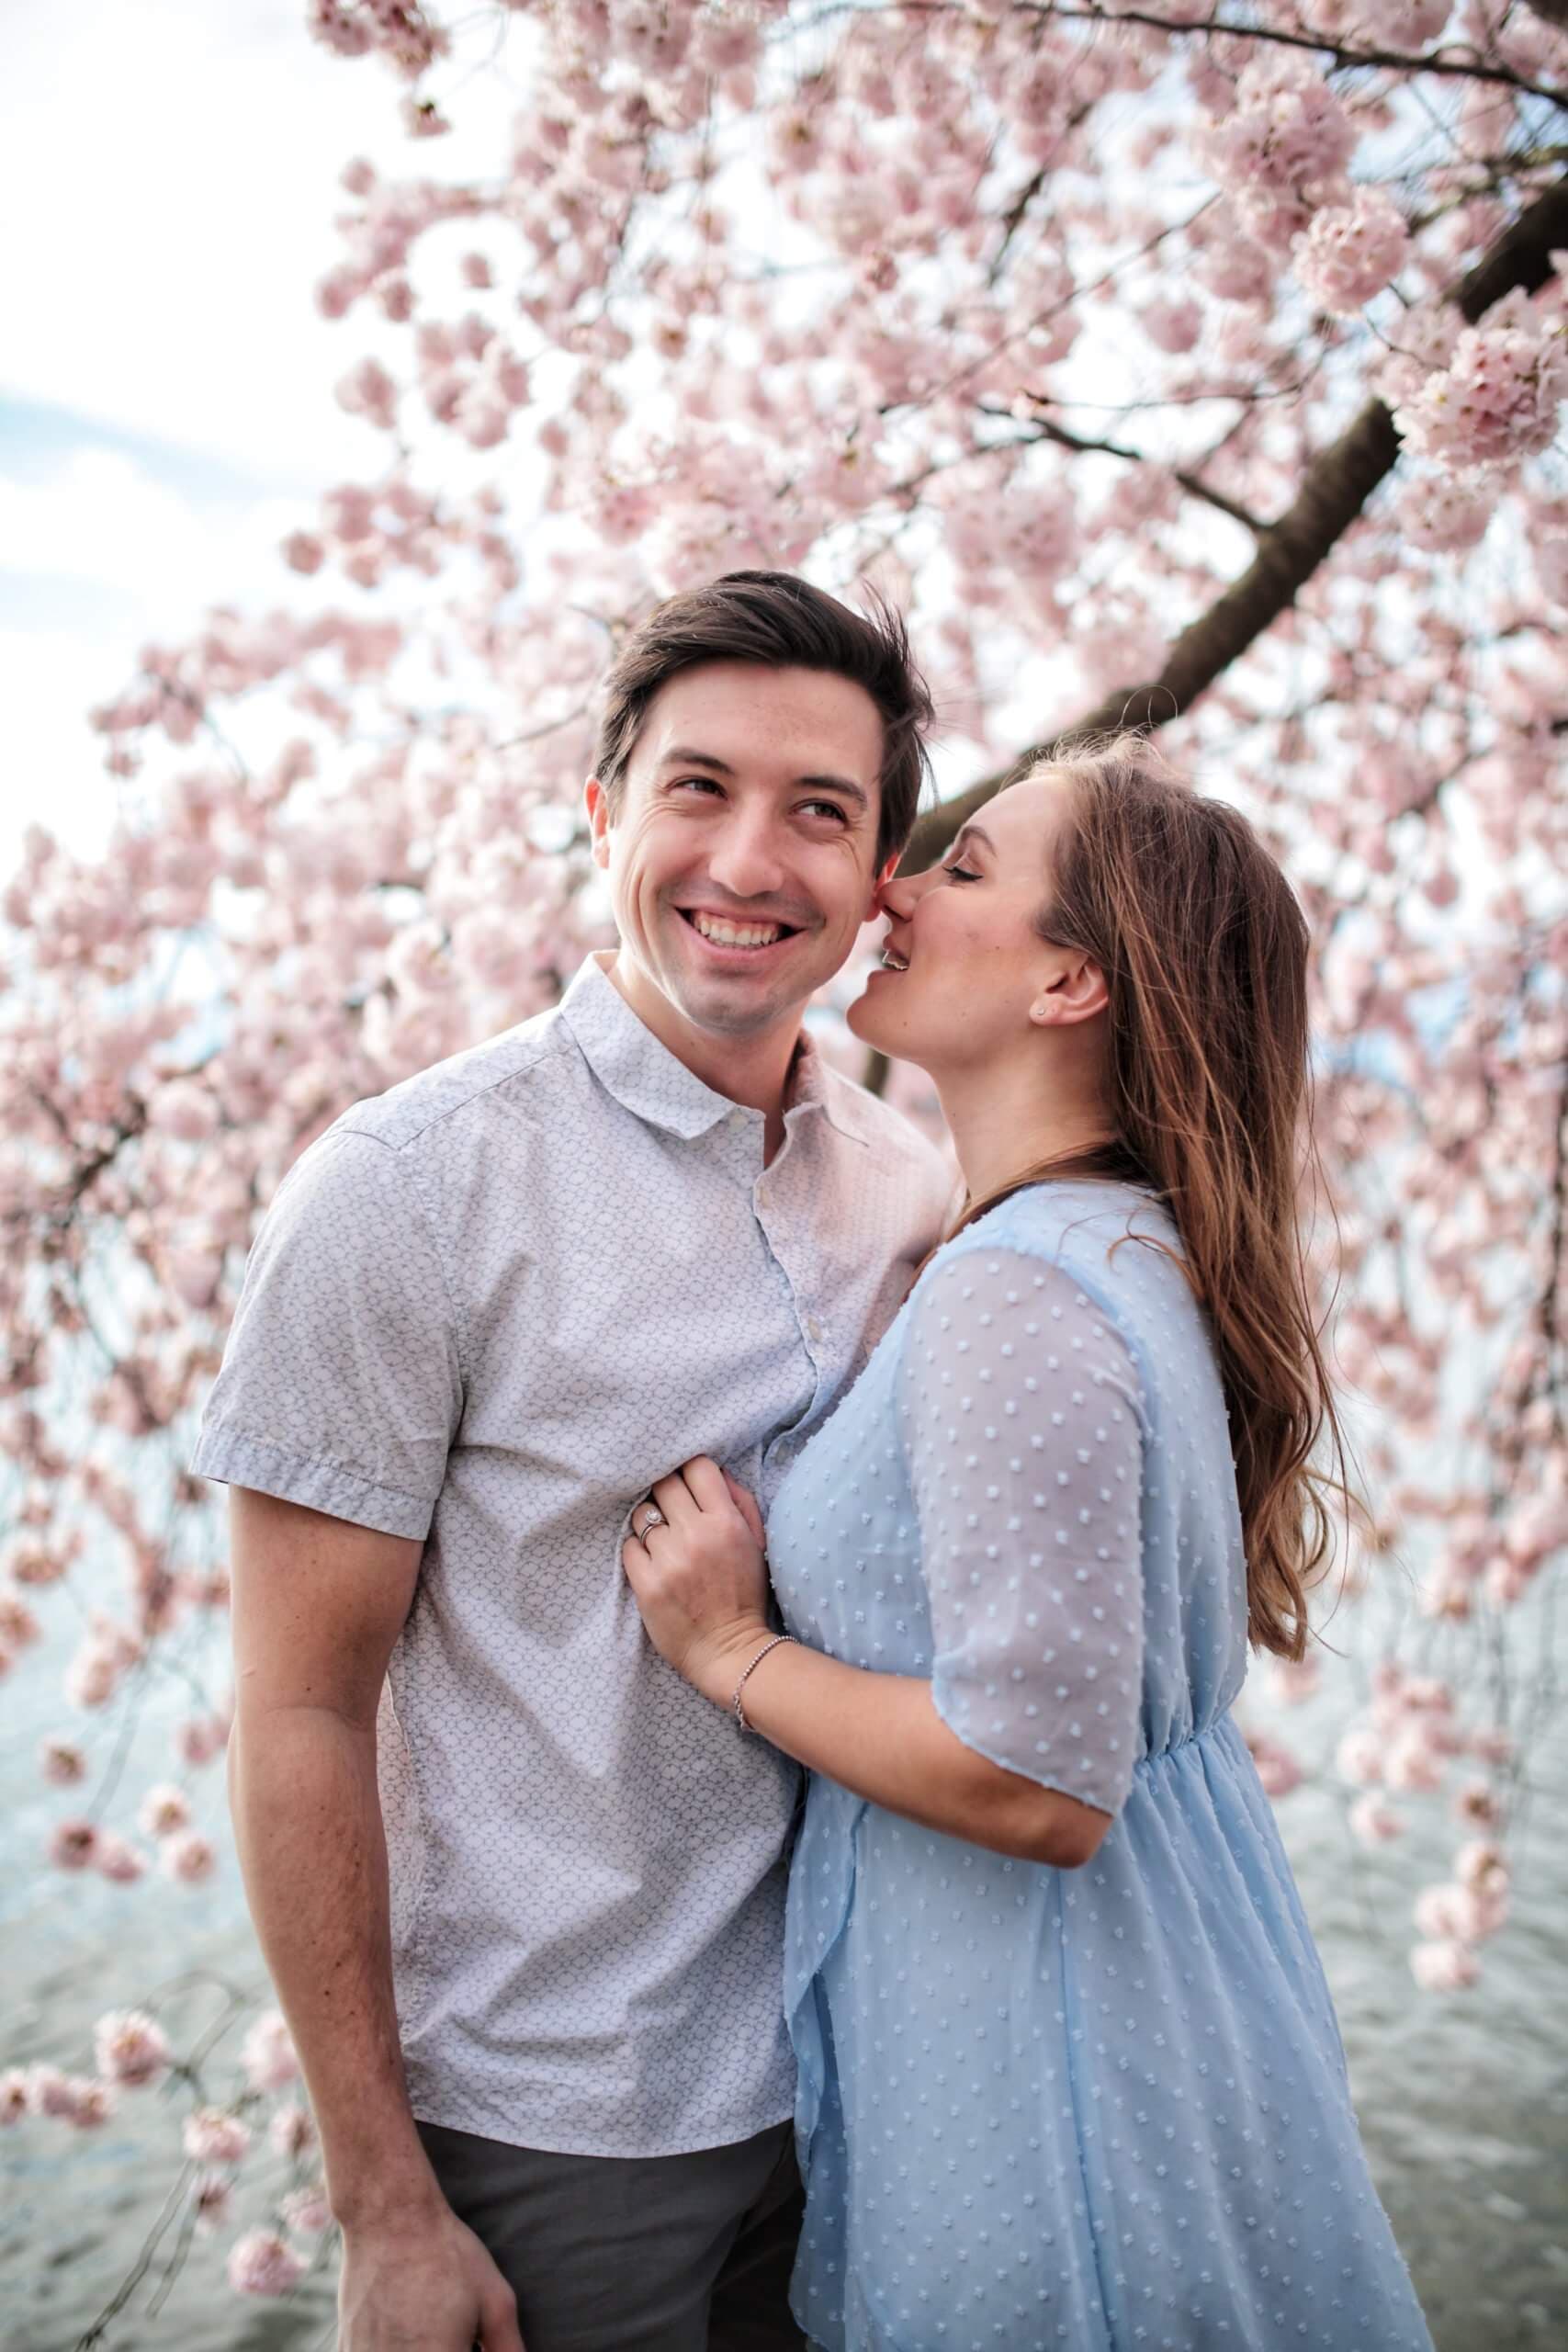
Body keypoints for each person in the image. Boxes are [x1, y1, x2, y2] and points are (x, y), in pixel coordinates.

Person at [194, 571, 954, 2352]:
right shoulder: (406, 1190)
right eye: (697, 787)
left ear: (877, 875)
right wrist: (383, 2202)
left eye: (818, 810)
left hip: (857, 2074)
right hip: (550, 2117)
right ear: (603, 807)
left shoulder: (905, 1184)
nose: (750, 860)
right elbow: (296, 1712)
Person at [623, 737, 1437, 2352]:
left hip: (1046, 2048)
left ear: (1073, 983)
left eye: (969, 867)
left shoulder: (1025, 1289)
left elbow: (1035, 1780)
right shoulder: (1102, 1245)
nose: (900, 886)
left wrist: (733, 1654)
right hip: (1126, 1991)